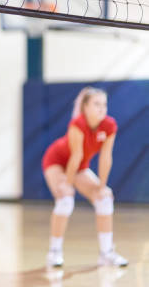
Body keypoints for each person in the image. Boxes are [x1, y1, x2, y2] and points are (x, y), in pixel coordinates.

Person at [42, 87, 127, 267]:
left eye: (104, 104)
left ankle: (106, 253)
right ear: (85, 107)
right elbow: (76, 155)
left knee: (104, 199)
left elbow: (105, 158)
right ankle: (54, 252)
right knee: (65, 199)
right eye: (96, 104)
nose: (101, 108)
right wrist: (66, 184)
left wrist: (102, 186)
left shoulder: (109, 125)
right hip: (56, 161)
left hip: (79, 167)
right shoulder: (78, 124)